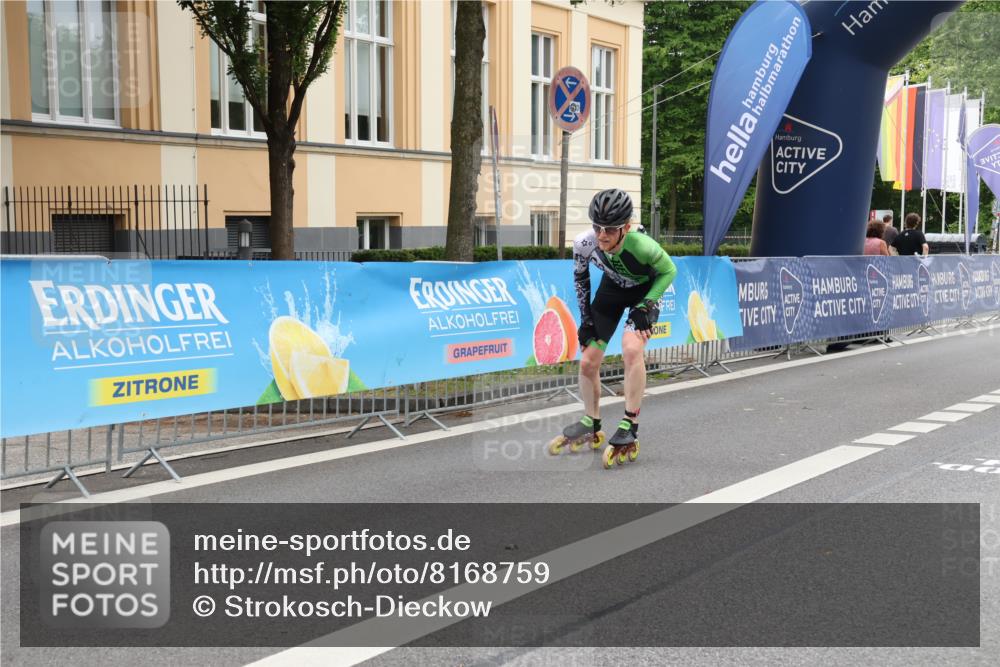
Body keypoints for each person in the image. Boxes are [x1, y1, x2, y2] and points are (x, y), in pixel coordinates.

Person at [548, 188, 677, 469]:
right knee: (587, 362)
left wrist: (647, 304)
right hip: (612, 291)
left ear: (626, 228)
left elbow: (669, 271)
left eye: (609, 229)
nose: (602, 234)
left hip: (644, 292)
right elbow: (581, 280)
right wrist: (586, 320)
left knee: (631, 350)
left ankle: (630, 423)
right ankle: (591, 420)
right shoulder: (584, 243)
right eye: (597, 227)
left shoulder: (642, 245)